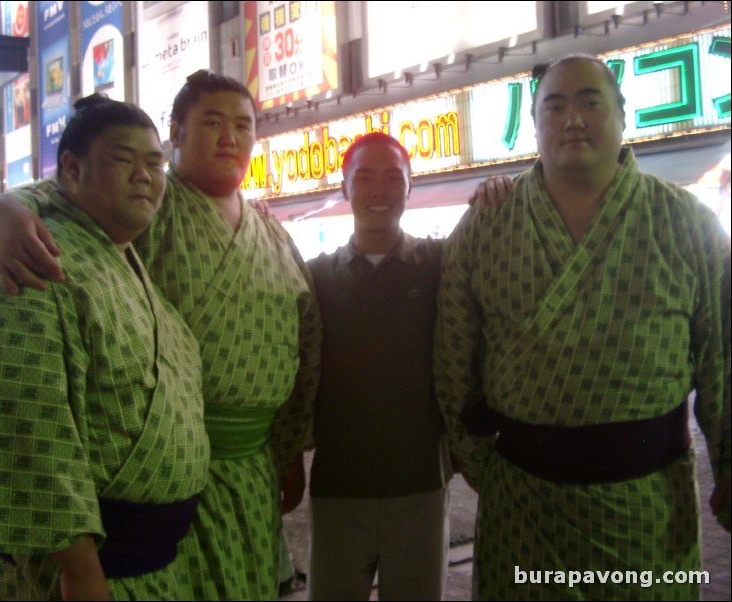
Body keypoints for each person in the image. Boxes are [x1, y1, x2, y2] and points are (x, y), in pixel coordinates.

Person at [0, 70, 322, 600]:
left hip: (254, 468)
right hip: (170, 478)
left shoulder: (272, 231)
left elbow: (306, 345)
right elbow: (62, 197)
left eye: (243, 125)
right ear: (177, 134)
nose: (229, 136)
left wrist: (290, 450)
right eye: (211, 122)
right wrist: (1, 210)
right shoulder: (147, 207)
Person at [434, 53, 731, 600]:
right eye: (556, 105)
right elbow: (454, 357)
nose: (573, 119)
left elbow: (723, 360)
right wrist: (479, 462)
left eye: (590, 102)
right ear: (535, 124)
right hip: (523, 506)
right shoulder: (487, 224)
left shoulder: (687, 221)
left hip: (647, 506)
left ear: (622, 114)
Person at [0, 95, 210, 600]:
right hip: (81, 574)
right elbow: (29, 429)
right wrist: (79, 569)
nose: (145, 175)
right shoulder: (32, 262)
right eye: (123, 158)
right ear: (70, 168)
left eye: (154, 162)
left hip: (155, 564)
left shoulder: (118, 254)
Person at [297, 132, 450, 600]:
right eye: (363, 178)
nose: (379, 191)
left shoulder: (440, 263)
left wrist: (497, 192)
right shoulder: (316, 275)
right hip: (338, 486)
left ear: (410, 187)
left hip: (420, 485)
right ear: (345, 188)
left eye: (392, 178)